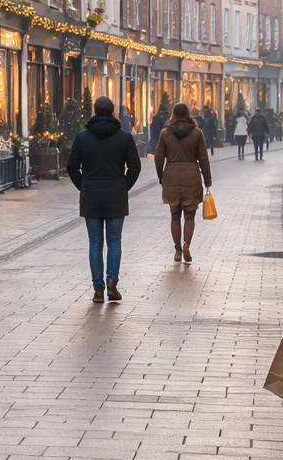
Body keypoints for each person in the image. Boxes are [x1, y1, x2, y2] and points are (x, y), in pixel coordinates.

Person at [67, 96, 142, 304]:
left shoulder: (82, 137)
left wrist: (83, 185)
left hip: (91, 194)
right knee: (114, 240)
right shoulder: (124, 137)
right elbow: (135, 166)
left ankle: (98, 288)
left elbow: (71, 166)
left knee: (95, 243)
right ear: (112, 112)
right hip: (116, 194)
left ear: (94, 110)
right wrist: (124, 185)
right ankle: (112, 282)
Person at [154, 103, 212, 264]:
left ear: (173, 114)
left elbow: (159, 157)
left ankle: (178, 250)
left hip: (171, 176)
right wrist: (207, 177)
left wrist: (161, 176)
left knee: (174, 215)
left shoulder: (165, 133)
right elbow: (203, 158)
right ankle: (187, 244)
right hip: (191, 175)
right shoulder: (197, 133)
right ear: (188, 114)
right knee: (189, 215)